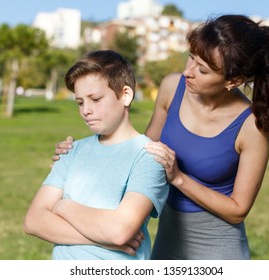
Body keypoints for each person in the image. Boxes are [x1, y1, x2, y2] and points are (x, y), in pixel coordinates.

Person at [52, 15, 269, 259]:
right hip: (168, 238)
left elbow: (238, 210)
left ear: (233, 81)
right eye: (190, 58)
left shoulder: (252, 126)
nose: (188, 72)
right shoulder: (173, 87)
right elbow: (141, 151)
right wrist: (80, 156)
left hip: (219, 248)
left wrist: (178, 178)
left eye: (202, 70)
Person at [24, 50, 169, 260]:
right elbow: (34, 221)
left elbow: (119, 231)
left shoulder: (148, 156)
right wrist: (100, 238)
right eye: (80, 102)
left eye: (95, 99)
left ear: (125, 95)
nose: (86, 111)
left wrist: (62, 206)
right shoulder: (72, 151)